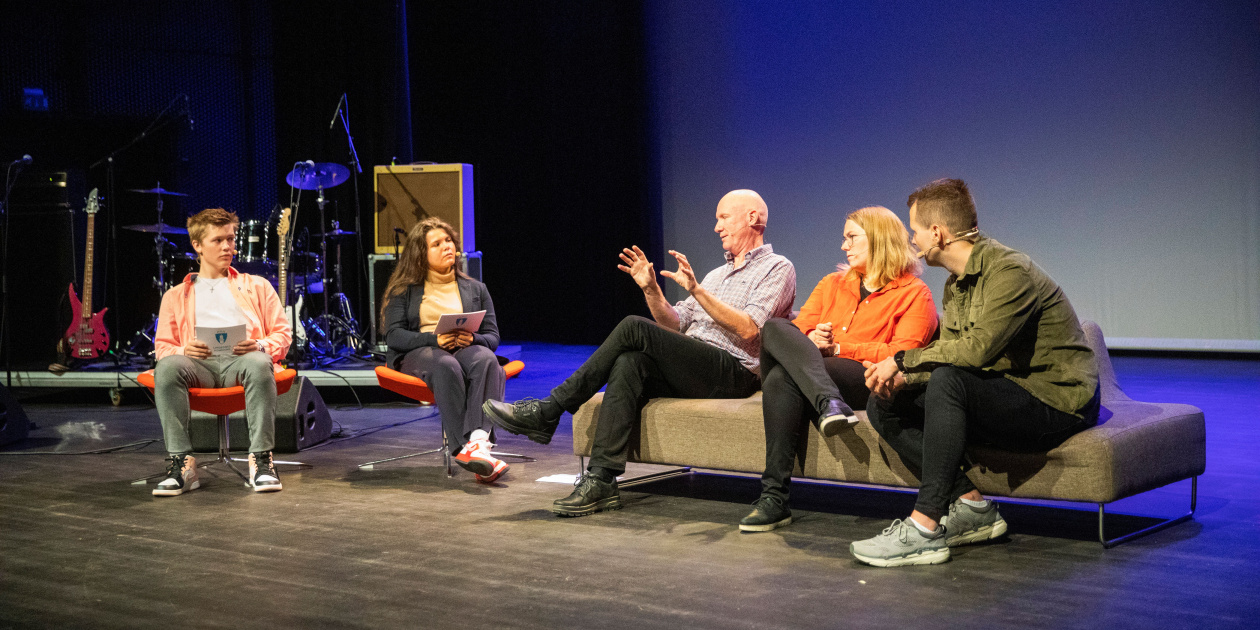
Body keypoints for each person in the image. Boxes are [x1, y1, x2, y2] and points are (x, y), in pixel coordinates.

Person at [483, 190, 797, 516]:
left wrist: (697, 291)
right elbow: (674, 323)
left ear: (753, 218)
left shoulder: (777, 268)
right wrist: (650, 289)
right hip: (697, 364)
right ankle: (601, 479)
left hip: (734, 371)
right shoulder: (716, 275)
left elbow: (749, 329)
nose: (716, 227)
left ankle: (550, 408)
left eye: (723, 217)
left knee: (634, 327)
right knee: (629, 361)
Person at [851, 179, 1100, 567]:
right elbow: (949, 353)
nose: (912, 238)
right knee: (885, 402)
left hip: (1056, 399)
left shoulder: (1009, 271)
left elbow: (977, 351)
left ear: (937, 233)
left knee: (949, 380)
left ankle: (925, 528)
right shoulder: (956, 284)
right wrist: (902, 379)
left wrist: (901, 361)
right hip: (1004, 390)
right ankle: (972, 507)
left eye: (914, 229)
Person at [740, 206, 937, 532]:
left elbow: (904, 355)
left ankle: (774, 498)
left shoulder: (915, 294)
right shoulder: (832, 283)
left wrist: (842, 348)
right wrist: (812, 337)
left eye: (852, 237)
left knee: (780, 374)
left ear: (878, 239)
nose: (844, 246)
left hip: (866, 377)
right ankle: (828, 404)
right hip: (820, 372)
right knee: (776, 332)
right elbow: (799, 328)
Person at [151, 208, 292, 496]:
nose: (228, 246)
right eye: (218, 240)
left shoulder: (257, 286)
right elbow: (163, 347)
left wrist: (260, 344)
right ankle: (182, 464)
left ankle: (262, 460)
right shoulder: (176, 295)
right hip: (198, 366)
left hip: (241, 362)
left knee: (257, 361)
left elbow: (283, 334)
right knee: (166, 367)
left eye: (231, 238)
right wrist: (183, 349)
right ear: (197, 245)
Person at [381, 217, 509, 482]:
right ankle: (464, 448)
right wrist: (433, 340)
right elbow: (393, 336)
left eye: (448, 241)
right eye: (436, 244)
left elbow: (492, 337)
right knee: (445, 364)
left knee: (487, 359)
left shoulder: (476, 289)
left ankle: (477, 443)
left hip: (463, 348)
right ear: (421, 255)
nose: (446, 247)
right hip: (422, 351)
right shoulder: (404, 290)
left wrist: (472, 339)